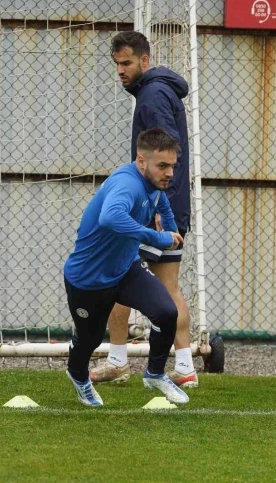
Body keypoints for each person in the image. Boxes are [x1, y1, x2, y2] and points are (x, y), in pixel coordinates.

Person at [90, 31, 196, 388]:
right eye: (117, 64)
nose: (121, 70)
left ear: (145, 61)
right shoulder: (159, 90)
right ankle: (184, 368)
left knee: (118, 280)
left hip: (154, 210)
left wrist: (159, 208)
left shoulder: (152, 96)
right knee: (166, 287)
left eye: (127, 63)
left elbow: (166, 156)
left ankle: (119, 360)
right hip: (168, 206)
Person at [63, 128, 189, 406]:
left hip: (126, 269)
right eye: (162, 166)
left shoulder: (153, 183)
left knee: (166, 312)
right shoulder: (127, 184)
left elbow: (161, 201)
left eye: (172, 166)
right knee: (89, 339)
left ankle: (155, 374)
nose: (169, 173)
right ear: (141, 161)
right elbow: (110, 217)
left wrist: (171, 228)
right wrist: (157, 237)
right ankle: (78, 375)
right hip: (89, 278)